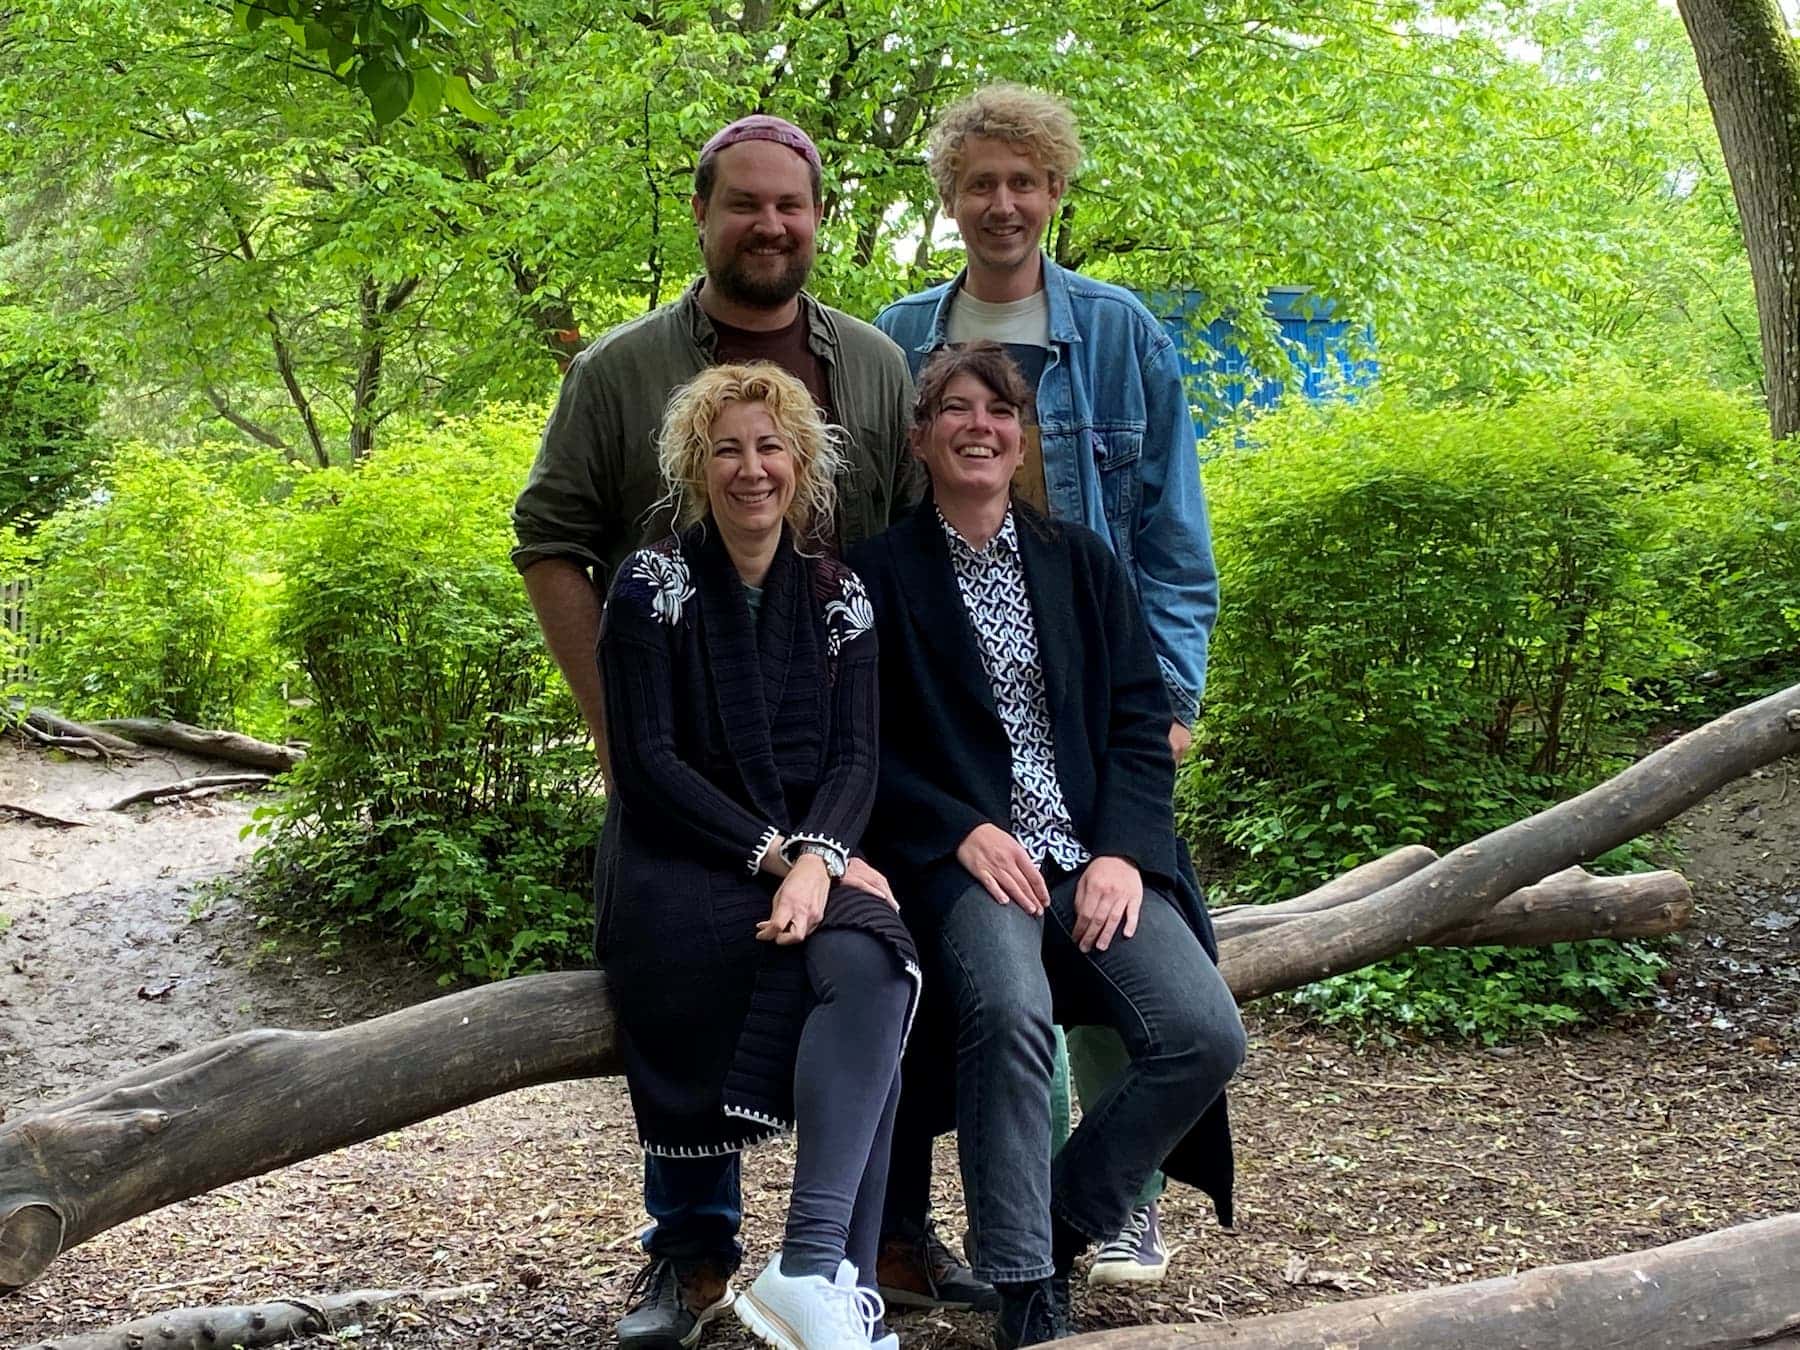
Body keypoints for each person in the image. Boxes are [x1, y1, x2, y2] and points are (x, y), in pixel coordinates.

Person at [512, 115, 921, 1350]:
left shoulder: (873, 365)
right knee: (688, 957)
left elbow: (901, 557)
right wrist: (619, 724)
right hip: (682, 773)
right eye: (744, 204)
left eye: (790, 205)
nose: (769, 224)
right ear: (703, 216)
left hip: (828, 762)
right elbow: (549, 538)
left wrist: (838, 837)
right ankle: (690, 1251)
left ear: (815, 218)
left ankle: (854, 1251)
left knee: (876, 953)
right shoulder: (622, 369)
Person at [873, 84, 1218, 1290]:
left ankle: (1109, 1201)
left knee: (1134, 945)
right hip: (959, 729)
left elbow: (1173, 538)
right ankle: (966, 1235)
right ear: (951, 199)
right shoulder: (897, 338)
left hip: (1101, 700)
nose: (1004, 203)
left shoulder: (1121, 333)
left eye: (1027, 181)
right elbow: (872, 538)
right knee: (985, 977)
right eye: (981, 183)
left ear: (1057, 192)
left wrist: (1168, 705)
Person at [849, 343, 1243, 1348]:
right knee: (1011, 1010)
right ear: (920, 438)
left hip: (1093, 857)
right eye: (957, 410)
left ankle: (1062, 1219)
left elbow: (1134, 722)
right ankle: (1027, 1291)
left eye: (1001, 411)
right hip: (972, 867)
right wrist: (957, 827)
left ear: (1022, 439)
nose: (980, 426)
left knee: (1204, 1032)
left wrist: (1120, 851)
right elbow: (860, 751)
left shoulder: (1082, 564)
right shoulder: (878, 577)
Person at [600, 363, 918, 1350]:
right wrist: (780, 857)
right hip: (679, 852)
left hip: (807, 851)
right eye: (727, 448)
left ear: (803, 462)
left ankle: (818, 1273)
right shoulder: (649, 586)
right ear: (696, 465)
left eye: (770, 446)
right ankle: (819, 1283)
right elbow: (647, 763)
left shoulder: (840, 594)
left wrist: (821, 859)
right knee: (763, 948)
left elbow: (859, 756)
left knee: (875, 961)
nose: (751, 469)